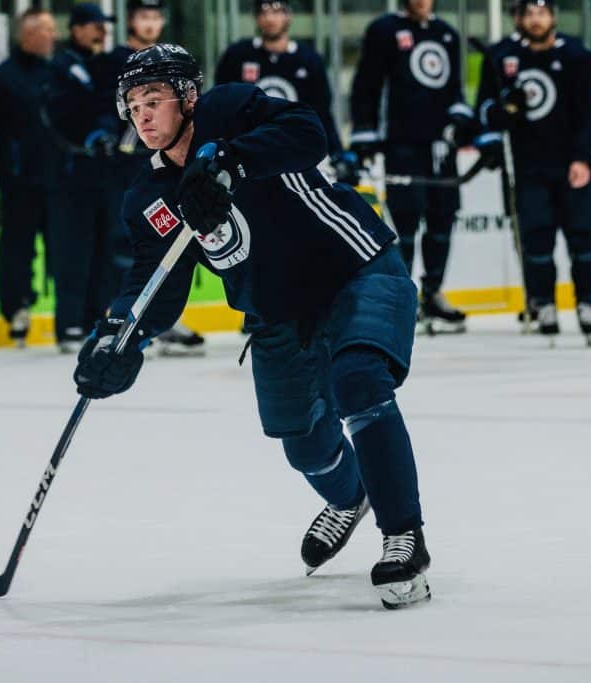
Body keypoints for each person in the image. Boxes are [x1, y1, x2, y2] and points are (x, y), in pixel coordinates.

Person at [73, 44, 431, 609]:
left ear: (188, 97)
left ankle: (403, 537)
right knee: (304, 445)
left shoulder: (231, 109)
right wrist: (118, 337)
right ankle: (350, 498)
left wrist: (230, 159)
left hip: (352, 269)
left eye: (153, 100)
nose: (142, 116)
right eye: (133, 105)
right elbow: (154, 284)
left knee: (359, 381)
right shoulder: (148, 197)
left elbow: (308, 132)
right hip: (277, 310)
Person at [479, 0, 591, 331]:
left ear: (553, 17)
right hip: (528, 167)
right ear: (519, 19)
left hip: (572, 165)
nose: (536, 20)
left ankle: (588, 300)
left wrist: (583, 158)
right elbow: (485, 111)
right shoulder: (501, 57)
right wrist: (505, 111)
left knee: (582, 236)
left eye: (542, 13)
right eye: (529, 14)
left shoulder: (578, 57)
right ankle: (542, 302)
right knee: (536, 240)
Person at [350, 0, 478, 334]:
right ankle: (402, 296)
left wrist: (460, 119)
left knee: (442, 218)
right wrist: (364, 133)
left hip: (442, 148)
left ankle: (433, 292)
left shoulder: (446, 34)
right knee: (405, 222)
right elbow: (367, 85)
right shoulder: (385, 30)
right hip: (402, 145)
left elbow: (454, 89)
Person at [99, 0, 207, 356]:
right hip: (128, 169)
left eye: (155, 16)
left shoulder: (169, 62)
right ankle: (128, 319)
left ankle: (162, 319)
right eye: (143, 16)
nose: (150, 22)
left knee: (180, 242)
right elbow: (99, 109)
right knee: (134, 245)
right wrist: (102, 135)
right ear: (131, 20)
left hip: (172, 162)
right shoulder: (117, 61)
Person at [0, 8, 57, 347]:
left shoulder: (58, 72)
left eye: (53, 29)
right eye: (46, 29)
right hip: (19, 180)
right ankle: (17, 309)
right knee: (17, 249)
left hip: (60, 178)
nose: (53, 35)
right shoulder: (3, 77)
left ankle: (76, 314)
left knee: (67, 249)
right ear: (27, 34)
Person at [42, 3, 124, 353]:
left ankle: (94, 318)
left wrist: (107, 131)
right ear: (76, 29)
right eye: (95, 25)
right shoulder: (60, 67)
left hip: (104, 173)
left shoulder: (107, 65)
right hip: (71, 173)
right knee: (73, 250)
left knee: (106, 250)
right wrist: (89, 134)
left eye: (104, 25)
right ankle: (69, 322)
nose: (102, 31)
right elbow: (60, 112)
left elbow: (112, 105)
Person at [214, 1, 353, 183]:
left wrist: (337, 153)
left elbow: (322, 113)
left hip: (297, 151)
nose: (270, 18)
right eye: (264, 11)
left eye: (276, 11)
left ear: (288, 15)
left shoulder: (309, 60)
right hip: (249, 152)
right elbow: (221, 108)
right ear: (256, 17)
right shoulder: (237, 56)